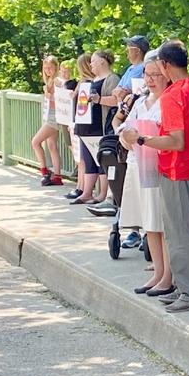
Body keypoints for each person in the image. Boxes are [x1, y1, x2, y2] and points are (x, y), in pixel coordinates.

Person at [120, 40, 189, 314]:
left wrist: (142, 138)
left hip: (176, 169)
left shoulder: (173, 96)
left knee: (179, 233)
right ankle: (187, 287)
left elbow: (175, 141)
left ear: (165, 65)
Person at [117, 50, 172, 297]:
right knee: (149, 222)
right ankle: (157, 272)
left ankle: (168, 275)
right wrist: (126, 137)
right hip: (138, 163)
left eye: (156, 74)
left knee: (160, 221)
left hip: (159, 165)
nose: (150, 80)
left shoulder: (168, 101)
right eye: (147, 75)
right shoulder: (140, 101)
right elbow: (126, 126)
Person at [113, 35, 150, 245]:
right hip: (132, 149)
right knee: (132, 190)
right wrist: (122, 132)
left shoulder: (160, 100)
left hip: (150, 154)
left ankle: (145, 233)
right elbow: (119, 115)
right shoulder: (134, 98)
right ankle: (135, 230)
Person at [71, 51, 115, 207]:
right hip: (86, 127)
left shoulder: (111, 79)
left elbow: (116, 101)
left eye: (94, 61)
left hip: (99, 126)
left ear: (103, 61)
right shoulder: (93, 79)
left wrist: (99, 99)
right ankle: (87, 192)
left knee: (101, 162)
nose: (91, 64)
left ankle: (103, 194)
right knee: (88, 160)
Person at [31, 55, 64, 186]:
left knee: (35, 142)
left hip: (53, 117)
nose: (48, 70)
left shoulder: (57, 81)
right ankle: (57, 176)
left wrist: (50, 96)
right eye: (45, 68)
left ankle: (44, 171)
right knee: (52, 146)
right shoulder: (49, 81)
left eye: (50, 68)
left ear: (56, 67)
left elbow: (61, 100)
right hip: (49, 116)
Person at [63, 58, 93, 200]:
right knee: (79, 157)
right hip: (76, 121)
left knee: (82, 158)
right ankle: (79, 186)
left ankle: (82, 187)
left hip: (82, 122)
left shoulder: (88, 84)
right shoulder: (81, 83)